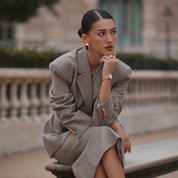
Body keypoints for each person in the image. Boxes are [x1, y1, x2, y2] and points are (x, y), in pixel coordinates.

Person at [42, 9, 131, 178]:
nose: (110, 39)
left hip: (98, 138)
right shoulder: (62, 67)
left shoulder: (121, 72)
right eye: (101, 33)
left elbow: (105, 117)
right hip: (65, 137)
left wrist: (107, 76)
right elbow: (66, 115)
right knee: (104, 136)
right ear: (85, 38)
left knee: (97, 159)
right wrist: (115, 126)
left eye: (113, 32)